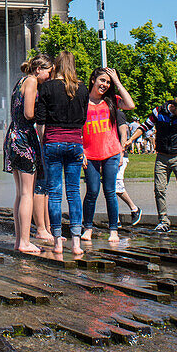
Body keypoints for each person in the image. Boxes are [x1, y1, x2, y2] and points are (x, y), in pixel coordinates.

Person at [35, 52, 90, 255]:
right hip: (75, 142)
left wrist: (43, 141)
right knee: (74, 192)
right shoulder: (82, 88)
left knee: (55, 194)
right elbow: (83, 118)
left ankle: (57, 241)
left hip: (53, 141)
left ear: (56, 66)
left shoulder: (47, 87)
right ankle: (76, 243)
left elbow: (40, 119)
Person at [3, 53, 53, 252]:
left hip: (13, 135)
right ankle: (24, 241)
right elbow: (29, 113)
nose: (49, 77)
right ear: (39, 69)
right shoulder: (32, 81)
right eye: (48, 73)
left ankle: (19, 241)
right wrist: (45, 113)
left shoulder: (20, 81)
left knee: (20, 194)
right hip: (24, 137)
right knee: (27, 193)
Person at [80, 68, 135, 244]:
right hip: (90, 153)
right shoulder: (82, 102)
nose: (105, 85)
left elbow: (130, 104)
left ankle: (113, 229)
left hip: (111, 152)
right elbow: (77, 129)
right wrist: (81, 152)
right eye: (102, 80)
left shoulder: (111, 101)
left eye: (108, 82)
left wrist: (117, 82)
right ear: (93, 80)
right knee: (92, 192)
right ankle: (87, 227)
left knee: (110, 191)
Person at [127, 97, 177, 233]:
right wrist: (130, 140)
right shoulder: (159, 112)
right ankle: (163, 221)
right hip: (162, 157)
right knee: (159, 189)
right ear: (174, 107)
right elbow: (145, 126)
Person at [115, 116, 142, 226]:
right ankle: (115, 218)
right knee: (111, 188)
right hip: (109, 155)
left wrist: (121, 154)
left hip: (119, 156)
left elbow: (124, 134)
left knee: (116, 185)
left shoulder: (118, 114)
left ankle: (134, 209)